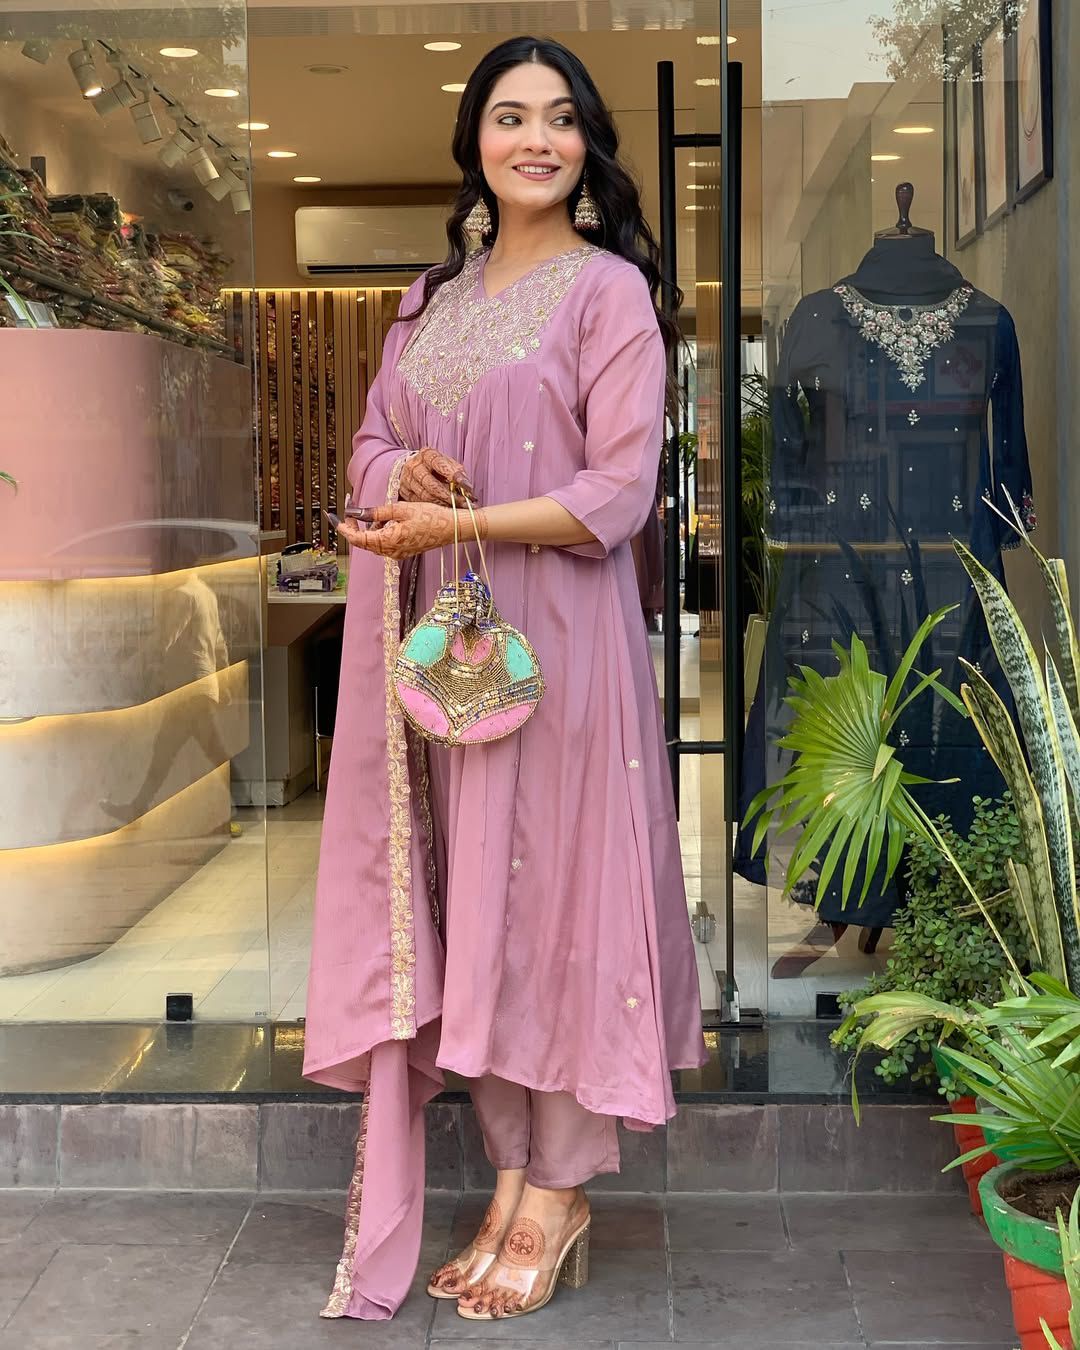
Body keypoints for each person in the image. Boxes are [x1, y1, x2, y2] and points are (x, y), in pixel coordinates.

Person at [303, 35, 706, 1325]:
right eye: (511, 116)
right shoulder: (430, 300)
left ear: (589, 144)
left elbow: (619, 491)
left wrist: (461, 524)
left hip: (564, 650)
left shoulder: (608, 295)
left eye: (562, 118)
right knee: (476, 902)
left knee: (559, 900)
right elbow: (369, 444)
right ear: (474, 141)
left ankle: (561, 1187)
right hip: (454, 660)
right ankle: (515, 1170)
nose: (538, 139)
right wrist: (399, 478)